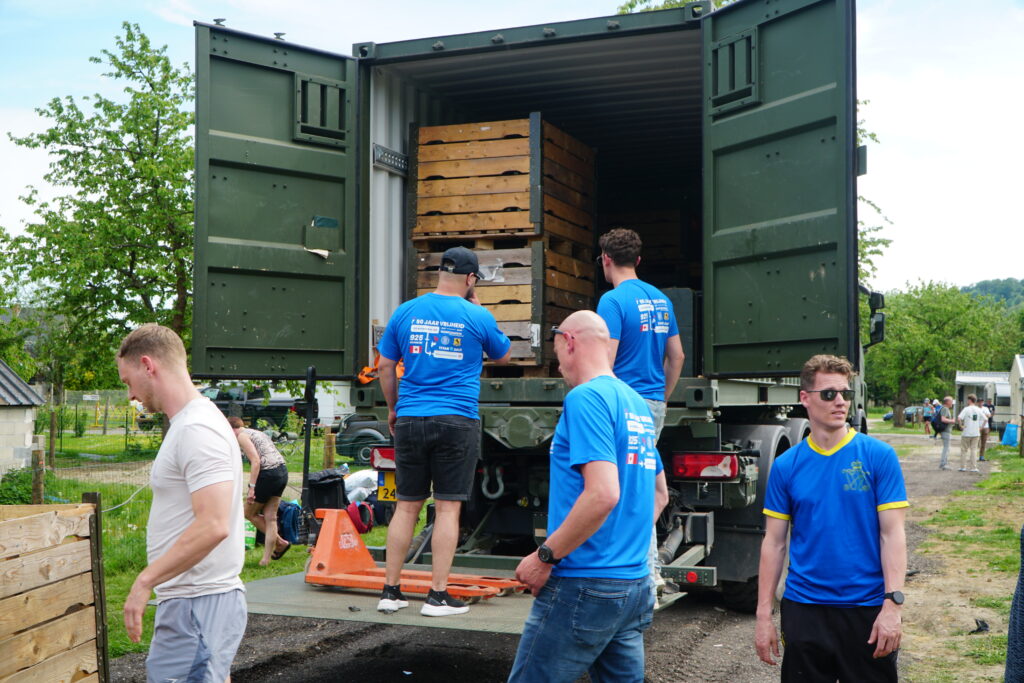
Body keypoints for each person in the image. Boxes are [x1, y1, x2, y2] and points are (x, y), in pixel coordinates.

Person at [508, 311, 669, 683]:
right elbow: (659, 493)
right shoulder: (635, 404)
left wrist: (545, 556)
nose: (559, 366)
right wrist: (622, 547)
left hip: (583, 583)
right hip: (633, 584)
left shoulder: (586, 398)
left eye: (557, 354)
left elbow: (603, 493)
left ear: (569, 342)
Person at [377, 246, 512, 617]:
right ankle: (437, 597)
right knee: (449, 507)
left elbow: (385, 366)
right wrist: (478, 307)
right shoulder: (476, 314)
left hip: (410, 418)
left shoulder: (405, 311)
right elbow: (503, 356)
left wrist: (394, 408)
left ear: (440, 273)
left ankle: (390, 591)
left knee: (407, 505)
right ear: (470, 279)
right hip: (456, 420)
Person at [755, 354, 908, 682]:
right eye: (829, 394)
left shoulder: (878, 456)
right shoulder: (786, 465)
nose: (840, 401)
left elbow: (892, 535)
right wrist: (763, 616)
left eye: (845, 393)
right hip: (804, 608)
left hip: (866, 609)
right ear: (805, 398)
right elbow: (774, 543)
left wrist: (892, 605)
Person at [116, 324, 246, 681]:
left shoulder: (196, 429)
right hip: (196, 604)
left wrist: (144, 582)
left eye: (128, 382)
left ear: (148, 365)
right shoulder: (194, 422)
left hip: (196, 604)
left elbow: (213, 524)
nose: (131, 395)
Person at [595, 227, 684, 596]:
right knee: (644, 486)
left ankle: (642, 572)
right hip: (653, 405)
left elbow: (606, 360)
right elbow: (676, 357)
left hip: (624, 405)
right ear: (638, 260)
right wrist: (662, 397)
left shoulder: (612, 301)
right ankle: (648, 569)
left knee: (628, 490)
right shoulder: (661, 300)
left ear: (606, 259)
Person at [227, 416, 290, 566]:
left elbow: (256, 461)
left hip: (268, 474)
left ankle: (280, 542)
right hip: (282, 471)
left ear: (232, 429)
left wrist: (252, 488)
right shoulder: (256, 432)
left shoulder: (242, 436)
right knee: (270, 517)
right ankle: (266, 560)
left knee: (248, 513)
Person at [957, 394, 985, 472]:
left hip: (966, 432)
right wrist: (981, 427)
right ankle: (973, 467)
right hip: (976, 432)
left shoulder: (966, 409)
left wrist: (961, 426)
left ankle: (963, 466)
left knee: (964, 450)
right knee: (974, 450)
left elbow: (959, 418)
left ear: (969, 400)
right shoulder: (978, 409)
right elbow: (985, 419)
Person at [937, 396, 955, 469]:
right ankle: (943, 464)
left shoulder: (944, 408)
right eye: (951, 401)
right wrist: (952, 421)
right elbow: (943, 419)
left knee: (947, 447)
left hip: (945, 431)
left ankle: (944, 463)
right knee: (946, 448)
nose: (952, 403)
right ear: (947, 402)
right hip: (945, 431)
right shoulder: (945, 409)